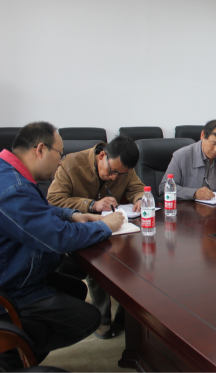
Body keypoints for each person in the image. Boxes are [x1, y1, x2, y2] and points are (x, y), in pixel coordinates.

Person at [0, 122, 124, 371]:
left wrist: (73, 215)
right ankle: (12, 352)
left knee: (75, 289)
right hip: (11, 288)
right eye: (59, 153)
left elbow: (38, 212)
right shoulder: (13, 189)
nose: (61, 161)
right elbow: (59, 238)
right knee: (87, 318)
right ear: (40, 150)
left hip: (18, 270)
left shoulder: (10, 173)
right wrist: (105, 226)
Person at [47, 135, 145, 339]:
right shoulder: (71, 164)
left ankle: (126, 316)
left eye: (121, 174)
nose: (115, 178)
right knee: (100, 262)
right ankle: (102, 319)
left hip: (115, 230)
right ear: (102, 156)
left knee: (137, 260)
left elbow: (137, 188)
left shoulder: (124, 168)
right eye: (112, 171)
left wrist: (140, 198)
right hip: (79, 230)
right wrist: (91, 205)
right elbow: (53, 201)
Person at [159, 120, 216, 201]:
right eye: (213, 143)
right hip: (190, 211)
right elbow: (164, 188)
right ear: (203, 135)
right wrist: (194, 193)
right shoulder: (181, 156)